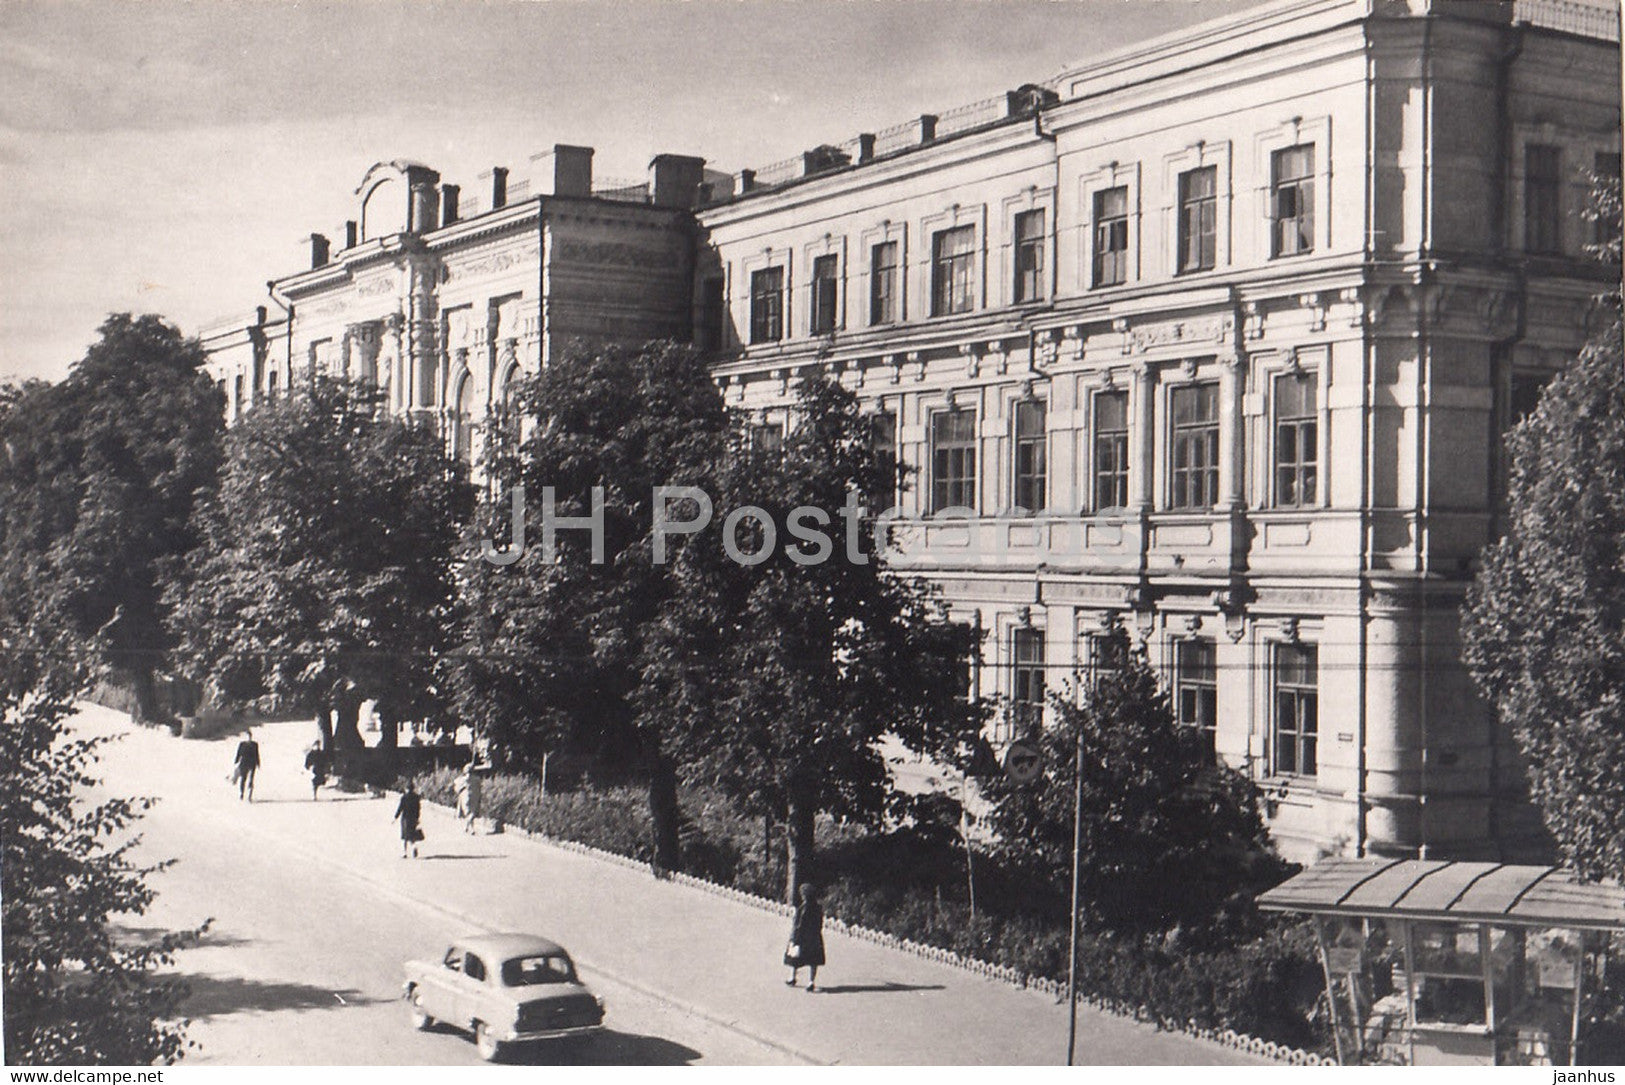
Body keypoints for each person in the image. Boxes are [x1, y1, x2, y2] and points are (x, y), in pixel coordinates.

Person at [784, 882, 826, 991]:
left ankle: (793, 977)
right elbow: (820, 923)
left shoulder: (802, 908)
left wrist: (793, 938)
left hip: (802, 937)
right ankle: (811, 982)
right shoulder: (817, 908)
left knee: (795, 957)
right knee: (813, 960)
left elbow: (797, 924)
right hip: (814, 938)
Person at [394, 781, 424, 858]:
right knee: (412, 835)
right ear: (413, 788)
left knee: (405, 836)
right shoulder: (417, 797)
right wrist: (417, 818)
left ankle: (404, 853)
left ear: (406, 789)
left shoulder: (404, 797)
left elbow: (400, 808)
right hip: (413, 818)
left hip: (405, 819)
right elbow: (418, 809)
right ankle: (414, 846)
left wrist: (395, 817)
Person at [232, 731, 261, 802]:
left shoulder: (255, 744)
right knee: (243, 779)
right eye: (247, 737)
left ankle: (249, 796)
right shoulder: (242, 744)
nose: (249, 738)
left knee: (251, 780)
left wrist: (258, 763)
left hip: (252, 763)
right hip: (244, 763)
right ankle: (242, 793)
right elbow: (238, 753)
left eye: (250, 737)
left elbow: (257, 754)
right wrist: (236, 761)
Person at [455, 762, 483, 834]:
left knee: (468, 812)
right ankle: (469, 828)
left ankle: (468, 828)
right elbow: (479, 788)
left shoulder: (462, 779)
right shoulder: (477, 779)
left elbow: (457, 787)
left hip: (465, 797)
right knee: (472, 813)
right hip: (474, 797)